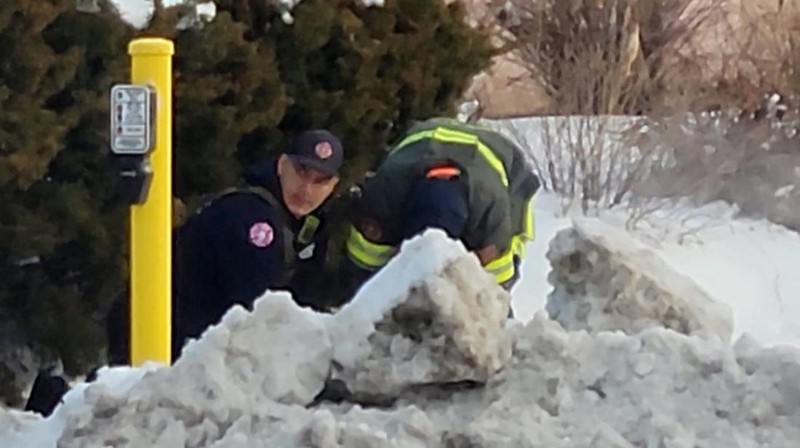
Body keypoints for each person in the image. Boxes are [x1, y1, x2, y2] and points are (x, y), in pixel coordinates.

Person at [106, 129, 345, 365]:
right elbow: (262, 312)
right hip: (162, 345)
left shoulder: (296, 220)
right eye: (301, 173)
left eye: (320, 182)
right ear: (282, 166)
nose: (306, 190)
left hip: (170, 341)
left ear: (333, 185)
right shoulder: (254, 217)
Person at [343, 117, 539, 296]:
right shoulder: (383, 197)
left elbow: (496, 294)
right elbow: (364, 276)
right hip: (422, 143)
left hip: (502, 162)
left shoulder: (491, 217)